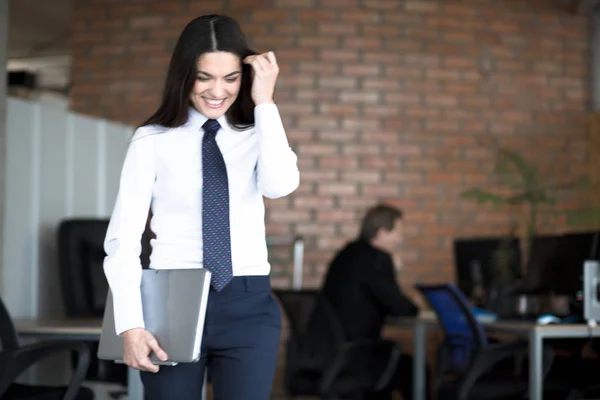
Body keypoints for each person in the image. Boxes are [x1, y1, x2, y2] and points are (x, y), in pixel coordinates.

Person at [102, 14, 300, 400]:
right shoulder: (151, 140)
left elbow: (280, 186)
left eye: (230, 78)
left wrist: (265, 103)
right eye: (204, 77)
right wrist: (129, 325)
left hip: (247, 302)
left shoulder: (258, 133)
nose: (217, 91)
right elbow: (123, 240)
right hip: (169, 303)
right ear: (183, 75)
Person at [317, 204, 424, 400]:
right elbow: (401, 308)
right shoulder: (378, 259)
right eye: (398, 232)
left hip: (326, 354)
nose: (401, 239)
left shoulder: (347, 253)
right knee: (415, 370)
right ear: (382, 233)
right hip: (356, 358)